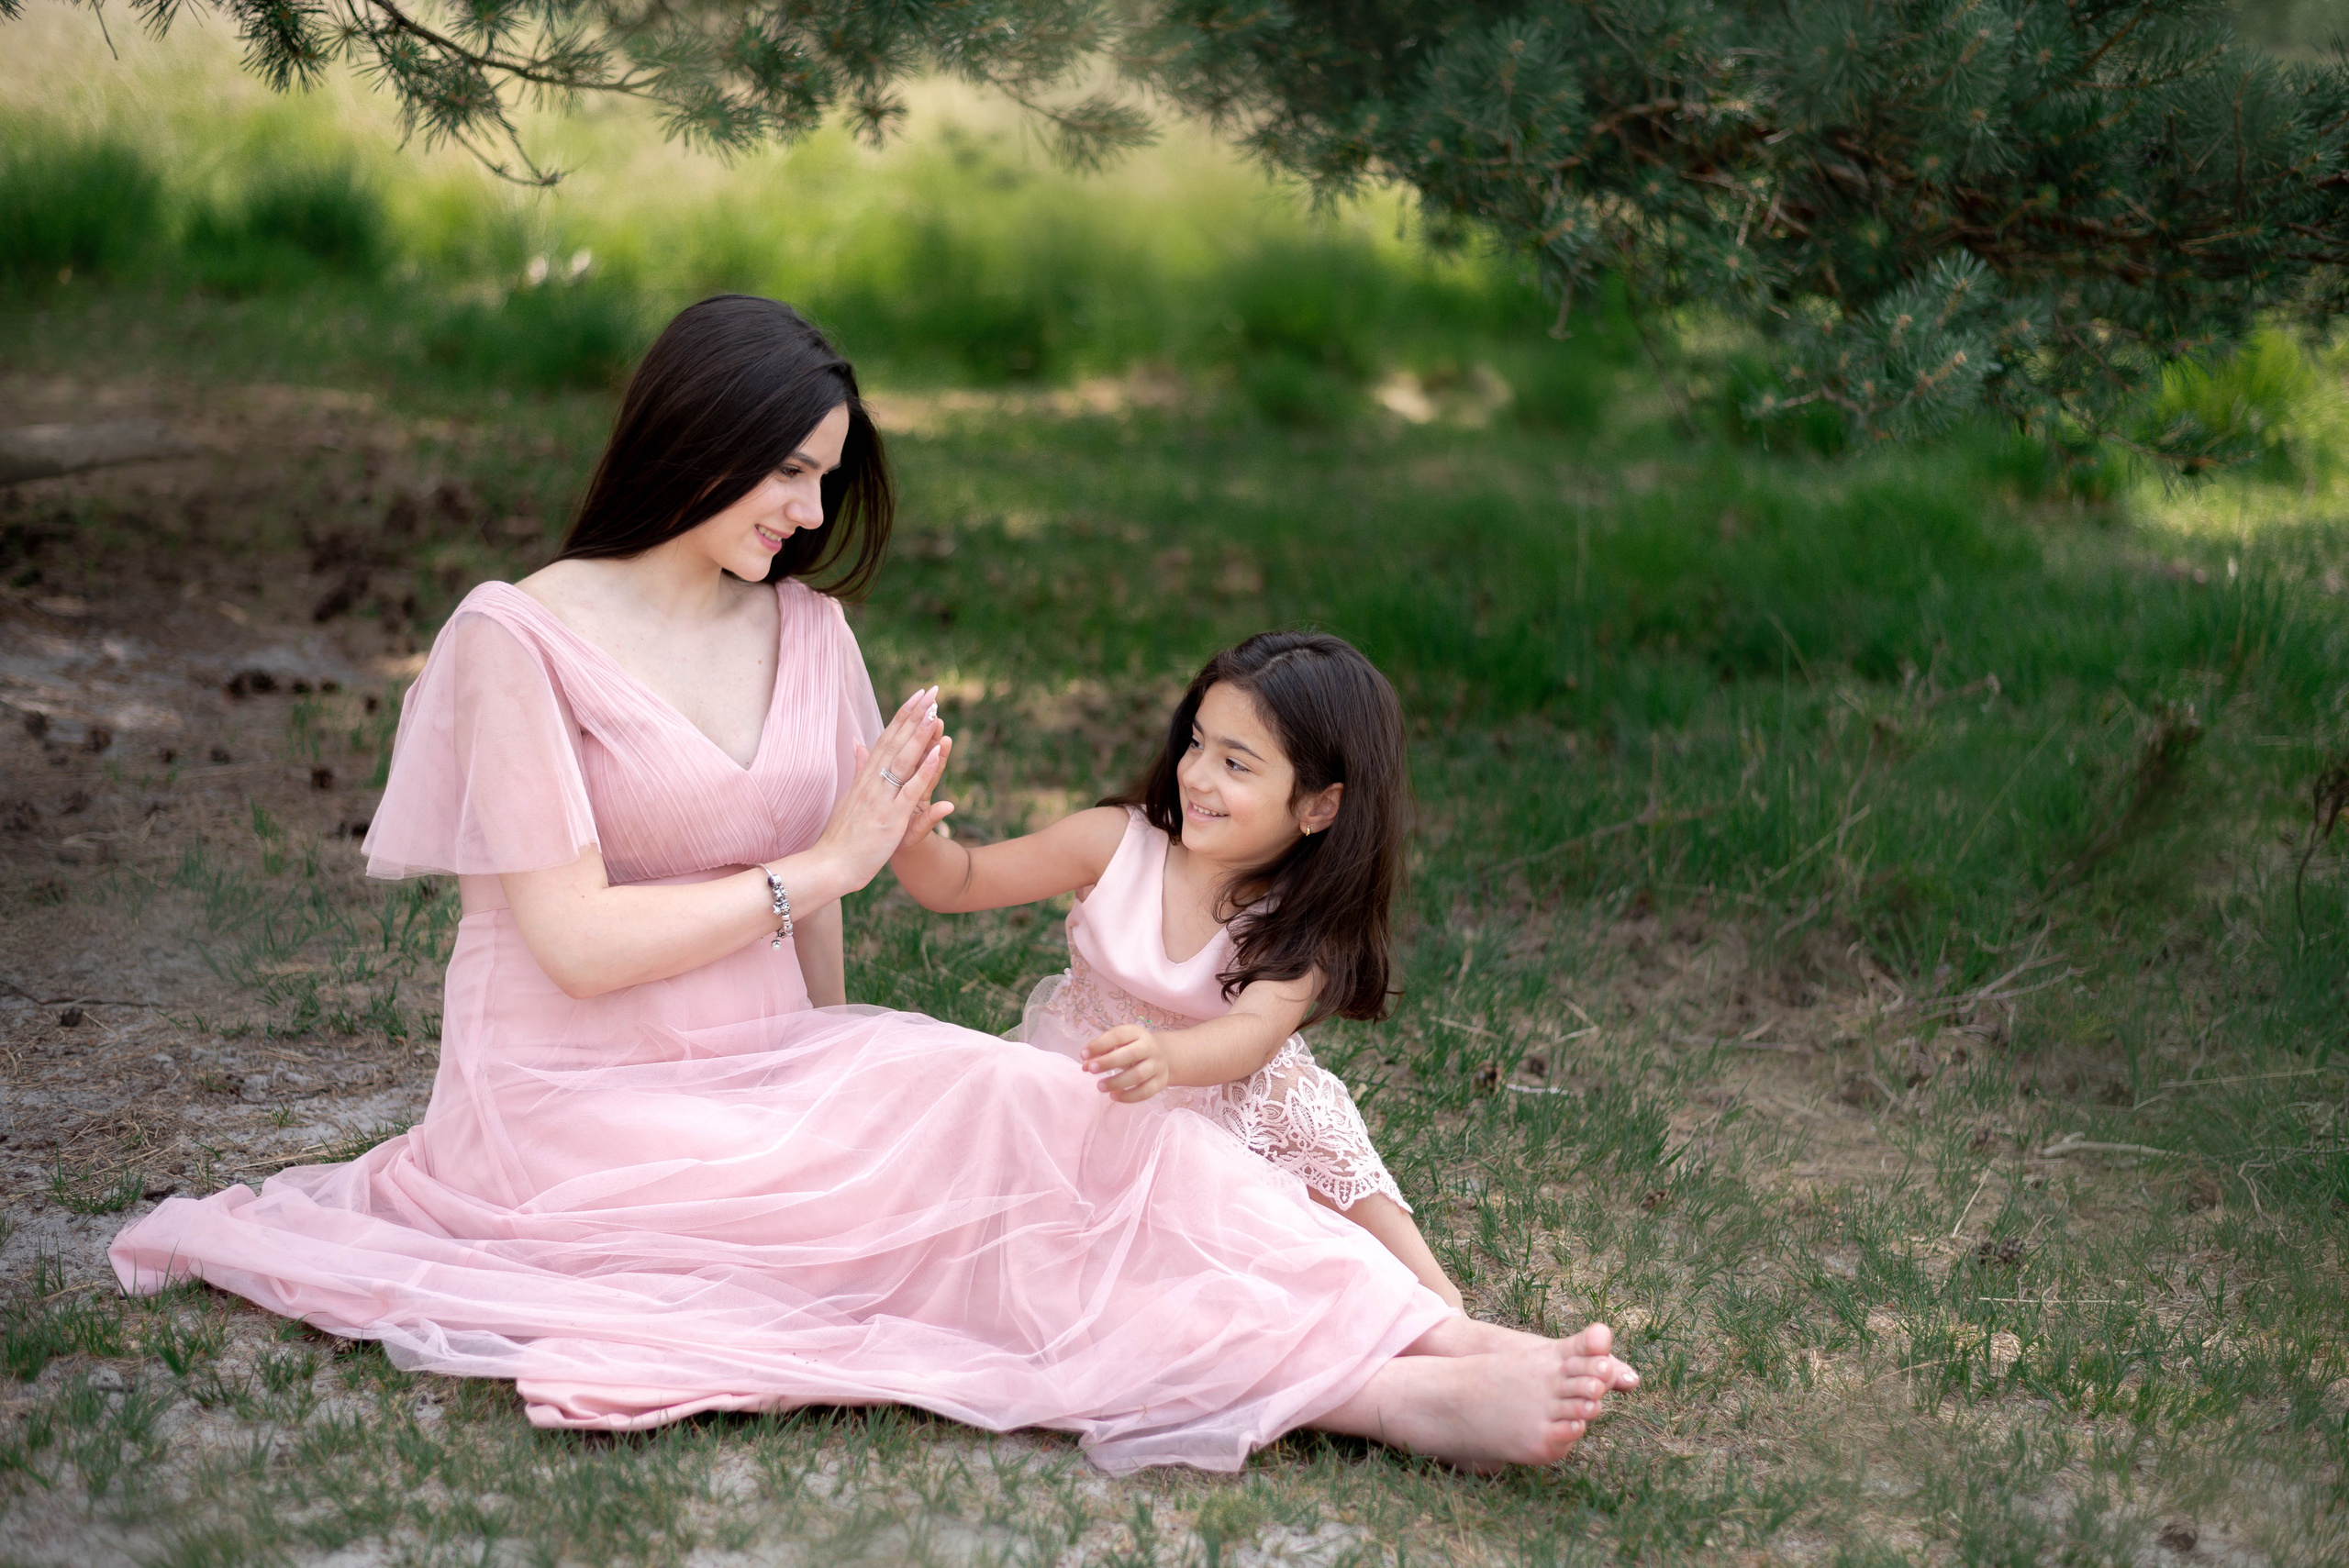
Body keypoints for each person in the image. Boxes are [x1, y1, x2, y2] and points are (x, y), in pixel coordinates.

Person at [109, 295, 1635, 1475]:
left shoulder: (808, 631)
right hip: (576, 1102)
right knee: (946, 1233)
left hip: (768, 1058)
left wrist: (842, 1067)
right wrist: (820, 868)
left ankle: (1428, 1323)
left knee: (1051, 1115)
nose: (805, 513)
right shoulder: (514, 637)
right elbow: (570, 941)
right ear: (691, 436)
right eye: (785, 472)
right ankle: (1384, 1393)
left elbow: (832, 922)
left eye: (823, 479)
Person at [893, 630, 1463, 1309]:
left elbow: (1252, 1034)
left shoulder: (1296, 925)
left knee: (1308, 1118)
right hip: (1079, 1092)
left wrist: (1168, 1056)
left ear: (1320, 805)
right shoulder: (1114, 844)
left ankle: (1441, 1302)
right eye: (1197, 742)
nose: (1196, 774)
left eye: (1236, 764)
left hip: (1218, 1112)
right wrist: (912, 840)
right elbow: (961, 881)